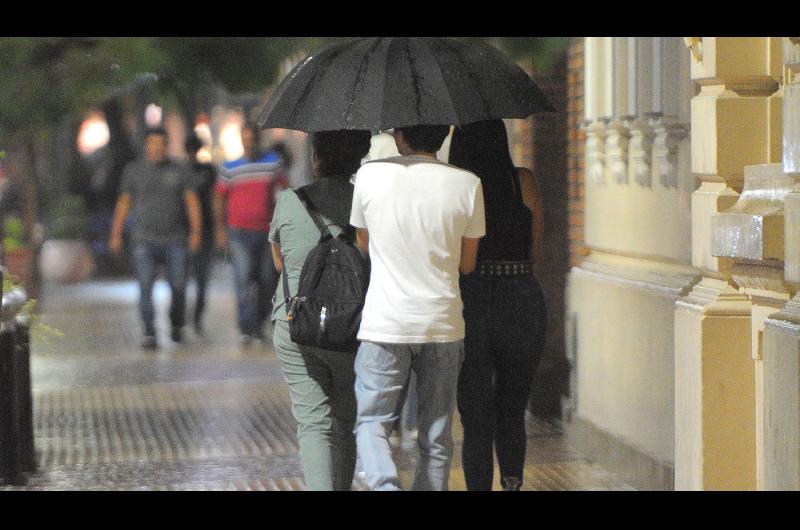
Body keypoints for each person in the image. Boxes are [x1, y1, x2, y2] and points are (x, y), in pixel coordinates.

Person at [350, 124, 486, 491]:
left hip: (385, 322)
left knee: (371, 423)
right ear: (443, 136)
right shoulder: (468, 183)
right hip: (442, 323)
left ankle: (385, 486)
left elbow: (363, 244)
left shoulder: (369, 176)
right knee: (436, 434)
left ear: (401, 137)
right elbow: (468, 264)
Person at [269, 129, 372, 491]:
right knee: (346, 419)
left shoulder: (289, 200)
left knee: (313, 422)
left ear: (317, 160)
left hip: (295, 322)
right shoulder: (366, 199)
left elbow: (280, 262)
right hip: (351, 325)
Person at [448, 119, 547, 491]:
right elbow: (535, 246)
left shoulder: (456, 188)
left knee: (475, 417)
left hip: (470, 300)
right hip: (520, 295)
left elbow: (455, 255)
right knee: (512, 408)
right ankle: (513, 483)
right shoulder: (522, 181)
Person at [109, 127, 202, 349]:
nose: (157, 148)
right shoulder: (133, 171)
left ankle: (176, 324)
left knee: (179, 285)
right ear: (146, 146)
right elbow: (124, 202)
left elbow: (191, 201)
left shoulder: (180, 169)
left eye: (161, 144)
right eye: (153, 144)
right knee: (145, 286)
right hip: (143, 239)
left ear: (167, 146)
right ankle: (149, 331)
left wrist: (196, 232)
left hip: (175, 238)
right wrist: (115, 233)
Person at [214, 124, 288, 346]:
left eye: (252, 139)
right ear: (241, 140)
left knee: (268, 279)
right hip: (238, 232)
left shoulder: (273, 163)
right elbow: (219, 198)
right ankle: (247, 328)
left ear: (258, 139)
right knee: (243, 279)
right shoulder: (230, 167)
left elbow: (286, 191)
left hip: (267, 232)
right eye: (244, 139)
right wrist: (219, 228)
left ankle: (259, 322)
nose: (249, 143)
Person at [185, 133, 218, 334]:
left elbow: (215, 198)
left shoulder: (208, 170)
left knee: (201, 277)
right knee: (189, 278)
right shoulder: (184, 171)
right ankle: (190, 316)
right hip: (186, 230)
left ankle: (196, 316)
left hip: (204, 229)